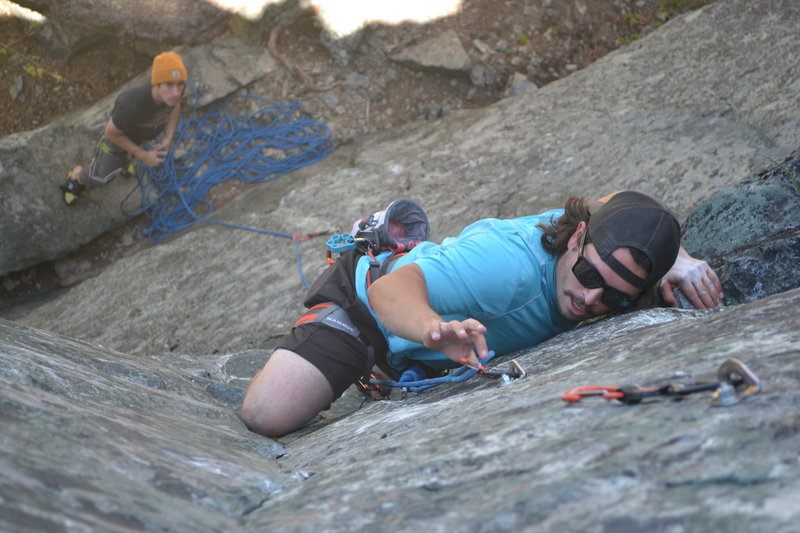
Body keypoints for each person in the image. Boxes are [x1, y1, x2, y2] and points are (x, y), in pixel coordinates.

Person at [239, 191, 724, 438]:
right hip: (366, 307)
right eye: (591, 276)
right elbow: (392, 293)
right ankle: (389, 248)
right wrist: (433, 330)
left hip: (419, 321)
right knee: (267, 414)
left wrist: (674, 254)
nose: (592, 301)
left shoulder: (601, 238)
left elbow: (617, 199)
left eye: (618, 299)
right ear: (577, 237)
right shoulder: (504, 267)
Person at [60, 51, 187, 205]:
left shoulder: (174, 95)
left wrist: (168, 136)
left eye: (180, 84)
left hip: (139, 135)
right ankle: (78, 176)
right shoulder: (132, 106)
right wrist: (144, 156)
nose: (176, 92)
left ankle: (126, 162)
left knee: (130, 155)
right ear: (156, 83)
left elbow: (176, 107)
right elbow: (112, 133)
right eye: (169, 85)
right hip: (119, 136)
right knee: (104, 176)